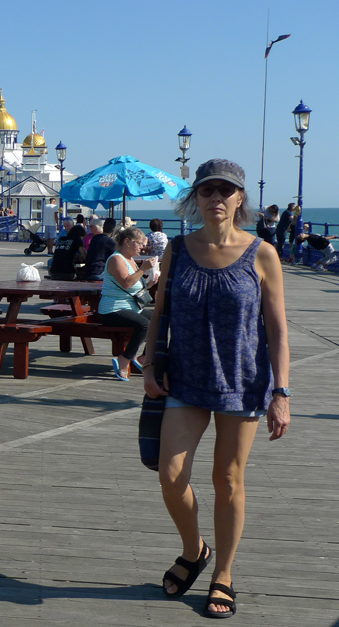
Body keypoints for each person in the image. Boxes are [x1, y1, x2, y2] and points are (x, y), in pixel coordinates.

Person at [142, 159, 289, 619]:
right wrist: (149, 363)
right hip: (184, 376)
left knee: (227, 480)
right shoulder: (179, 249)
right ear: (196, 198)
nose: (216, 199)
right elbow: (159, 308)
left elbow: (278, 329)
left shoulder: (262, 252)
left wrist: (281, 393)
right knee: (171, 475)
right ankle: (194, 549)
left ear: (240, 199)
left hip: (242, 382)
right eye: (207, 191)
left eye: (226, 191)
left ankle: (223, 573)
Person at [98, 227, 157, 380]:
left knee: (161, 320)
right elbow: (126, 283)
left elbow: (135, 286)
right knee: (145, 324)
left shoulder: (131, 261)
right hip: (113, 309)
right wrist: (143, 268)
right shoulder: (116, 259)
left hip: (131, 307)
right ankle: (125, 359)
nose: (142, 247)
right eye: (140, 244)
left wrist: (150, 283)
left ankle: (144, 358)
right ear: (127, 242)